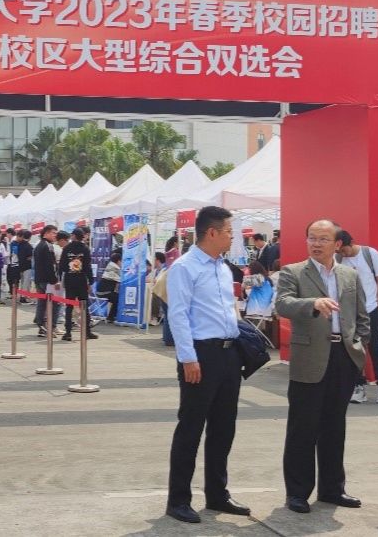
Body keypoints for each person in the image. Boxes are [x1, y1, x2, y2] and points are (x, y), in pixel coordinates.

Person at [276, 220, 370, 515]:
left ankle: (332, 489)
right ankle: (297, 493)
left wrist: (358, 346)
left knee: (334, 426)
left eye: (323, 239)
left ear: (337, 244)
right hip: (309, 358)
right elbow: (283, 304)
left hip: (343, 356)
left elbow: (362, 316)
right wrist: (313, 303)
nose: (316, 244)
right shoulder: (293, 272)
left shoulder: (349, 275)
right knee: (303, 428)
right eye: (312, 238)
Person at [164, 206, 249, 525]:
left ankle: (217, 493)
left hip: (228, 354)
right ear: (211, 233)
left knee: (224, 427)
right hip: (200, 355)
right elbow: (178, 315)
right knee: (191, 427)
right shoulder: (185, 267)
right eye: (228, 231)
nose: (232, 237)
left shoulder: (222, 267)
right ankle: (178, 499)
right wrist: (188, 358)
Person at [336, 230, 378, 407]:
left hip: (371, 309)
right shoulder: (338, 259)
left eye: (344, 250)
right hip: (350, 312)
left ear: (350, 243)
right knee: (355, 350)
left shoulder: (369, 254)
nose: (342, 254)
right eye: (339, 251)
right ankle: (359, 387)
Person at [59, 227, 97, 340]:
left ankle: (68, 332)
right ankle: (87, 331)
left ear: (74, 236)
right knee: (84, 306)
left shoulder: (67, 248)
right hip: (81, 280)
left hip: (70, 280)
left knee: (69, 306)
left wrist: (61, 277)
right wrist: (90, 280)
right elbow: (88, 266)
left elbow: (62, 266)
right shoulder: (85, 248)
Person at [32, 225, 60, 336]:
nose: (55, 235)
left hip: (39, 279)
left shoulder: (38, 245)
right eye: (53, 233)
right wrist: (54, 280)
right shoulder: (48, 246)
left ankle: (42, 326)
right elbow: (50, 265)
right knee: (54, 304)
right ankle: (50, 326)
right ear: (46, 233)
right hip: (48, 280)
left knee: (42, 303)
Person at [97, 250, 122, 324]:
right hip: (104, 292)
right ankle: (111, 317)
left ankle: (111, 317)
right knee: (118, 299)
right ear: (118, 261)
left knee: (116, 297)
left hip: (102, 290)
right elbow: (121, 280)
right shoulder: (115, 268)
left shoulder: (110, 265)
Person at [17, 231, 34, 304]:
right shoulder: (28, 245)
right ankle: (23, 298)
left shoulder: (19, 244)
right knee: (26, 283)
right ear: (30, 237)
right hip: (27, 266)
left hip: (20, 265)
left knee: (22, 282)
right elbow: (30, 256)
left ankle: (22, 296)